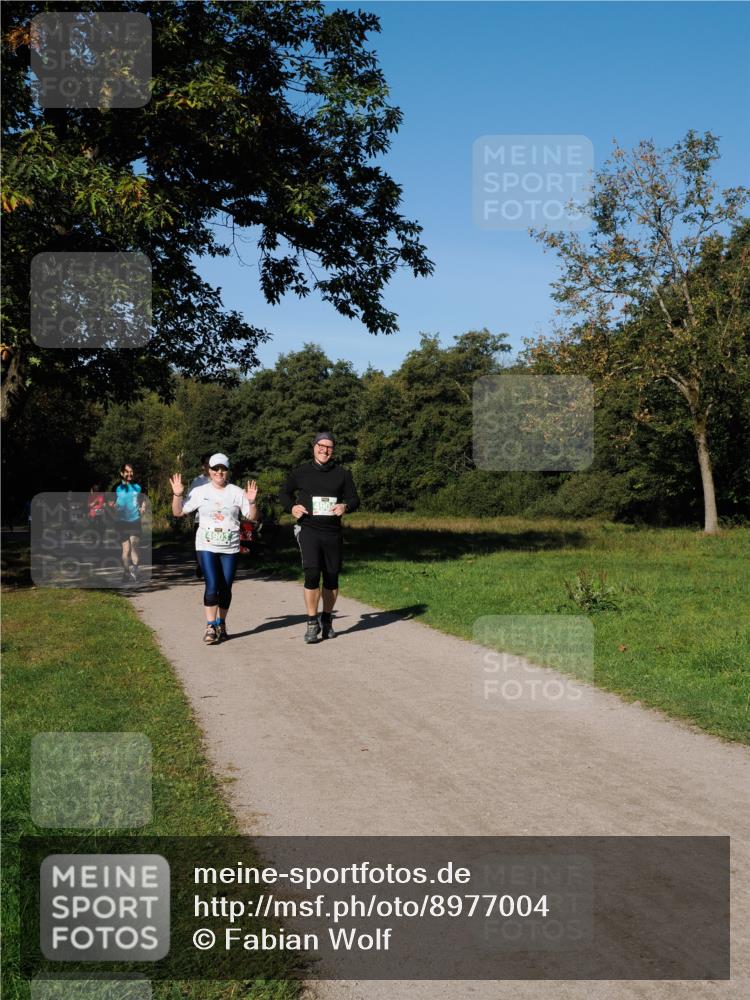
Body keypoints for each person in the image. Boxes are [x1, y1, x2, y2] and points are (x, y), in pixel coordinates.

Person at [280, 432, 359, 644]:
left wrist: (345, 506)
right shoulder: (301, 472)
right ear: (314, 447)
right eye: (321, 446)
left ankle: (327, 619)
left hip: (332, 532)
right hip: (309, 529)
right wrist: (292, 507)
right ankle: (311, 622)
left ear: (333, 450)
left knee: (331, 577)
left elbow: (354, 499)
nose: (324, 450)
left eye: (329, 447)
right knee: (312, 574)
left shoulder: (342, 474)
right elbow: (284, 493)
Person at [170, 453, 258, 645]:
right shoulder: (200, 491)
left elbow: (251, 517)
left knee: (225, 588)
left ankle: (221, 623)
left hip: (230, 547)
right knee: (212, 585)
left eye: (223, 469)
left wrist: (251, 502)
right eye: (215, 468)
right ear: (209, 470)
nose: (219, 472)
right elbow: (178, 512)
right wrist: (177, 495)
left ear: (227, 471)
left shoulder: (236, 492)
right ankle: (210, 626)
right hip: (206, 545)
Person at [112, 463, 146, 584]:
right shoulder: (116, 487)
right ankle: (126, 573)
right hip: (121, 522)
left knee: (134, 546)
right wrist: (113, 507)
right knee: (125, 550)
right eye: (127, 471)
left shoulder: (138, 486)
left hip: (135, 520)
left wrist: (143, 507)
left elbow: (143, 499)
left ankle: (136, 572)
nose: (129, 474)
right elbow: (110, 502)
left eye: (131, 471)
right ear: (122, 473)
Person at [188, 453, 211, 579]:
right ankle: (201, 565)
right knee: (200, 545)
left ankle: (211, 568)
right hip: (201, 520)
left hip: (218, 521)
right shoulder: (197, 481)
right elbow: (189, 500)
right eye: (208, 463)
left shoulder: (222, 480)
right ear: (203, 466)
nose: (210, 466)